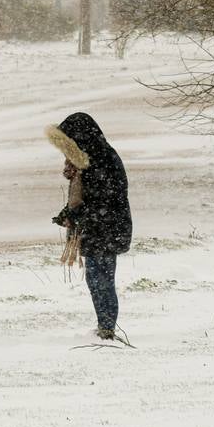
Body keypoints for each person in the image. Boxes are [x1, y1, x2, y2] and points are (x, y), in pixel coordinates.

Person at [46, 112, 132, 340]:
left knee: (102, 279)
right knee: (95, 278)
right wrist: (69, 213)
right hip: (96, 227)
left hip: (108, 227)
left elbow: (104, 199)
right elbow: (83, 197)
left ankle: (107, 328)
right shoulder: (85, 162)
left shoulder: (103, 160)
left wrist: (78, 215)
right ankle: (104, 325)